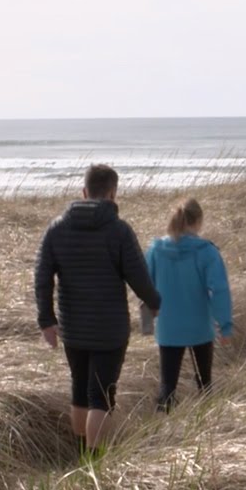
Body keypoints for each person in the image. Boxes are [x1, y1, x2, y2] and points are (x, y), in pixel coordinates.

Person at [34, 164, 160, 452]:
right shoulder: (119, 231)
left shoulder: (57, 228)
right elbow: (139, 277)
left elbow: (42, 278)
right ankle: (95, 461)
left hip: (73, 327)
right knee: (101, 396)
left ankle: (83, 454)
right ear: (113, 193)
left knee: (80, 389)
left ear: (84, 191)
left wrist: (46, 320)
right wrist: (154, 303)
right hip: (109, 328)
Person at [145, 198, 234, 411]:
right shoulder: (207, 251)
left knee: (167, 387)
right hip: (199, 327)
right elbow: (219, 290)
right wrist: (225, 325)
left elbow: (145, 287)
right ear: (198, 221)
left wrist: (146, 324)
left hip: (168, 328)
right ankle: (207, 423)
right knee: (204, 384)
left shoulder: (156, 250)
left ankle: (163, 424)